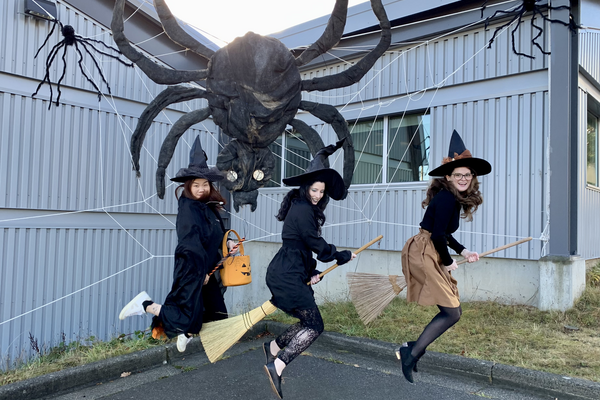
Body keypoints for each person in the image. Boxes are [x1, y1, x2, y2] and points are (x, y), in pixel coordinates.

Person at [119, 136, 235, 352]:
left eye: (205, 185)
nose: (201, 189)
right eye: (196, 185)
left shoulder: (207, 206)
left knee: (217, 314)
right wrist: (201, 273)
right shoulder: (189, 209)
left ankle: (188, 334)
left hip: (206, 268)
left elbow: (216, 235)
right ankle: (146, 305)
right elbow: (190, 244)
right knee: (186, 314)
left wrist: (228, 243)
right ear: (188, 186)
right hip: (192, 267)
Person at [263, 140, 357, 399]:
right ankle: (277, 364)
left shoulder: (302, 208)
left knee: (307, 321)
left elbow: (302, 249)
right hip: (287, 275)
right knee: (315, 325)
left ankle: (272, 347)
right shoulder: (303, 210)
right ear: (306, 188)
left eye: (321, 191)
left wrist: (311, 273)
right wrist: (341, 255)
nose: (317, 195)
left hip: (287, 271)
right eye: (314, 190)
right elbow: (315, 244)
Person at [398, 130, 492, 383]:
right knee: (451, 312)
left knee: (454, 311)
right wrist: (449, 262)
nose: (463, 178)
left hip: (427, 247)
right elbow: (438, 236)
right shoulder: (448, 198)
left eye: (467, 174)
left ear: (472, 178)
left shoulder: (451, 197)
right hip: (424, 250)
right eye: (458, 174)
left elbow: (444, 235)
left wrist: (464, 251)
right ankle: (412, 352)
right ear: (448, 176)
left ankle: (411, 349)